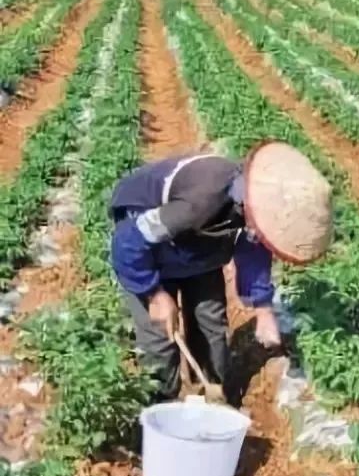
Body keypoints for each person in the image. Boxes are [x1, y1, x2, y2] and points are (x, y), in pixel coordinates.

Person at [109, 142, 333, 402]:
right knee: (159, 342)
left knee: (211, 324)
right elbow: (128, 241)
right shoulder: (198, 203)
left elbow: (254, 253)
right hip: (147, 252)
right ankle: (161, 406)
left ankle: (212, 395)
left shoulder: (252, 211)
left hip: (200, 253)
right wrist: (154, 294)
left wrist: (263, 310)